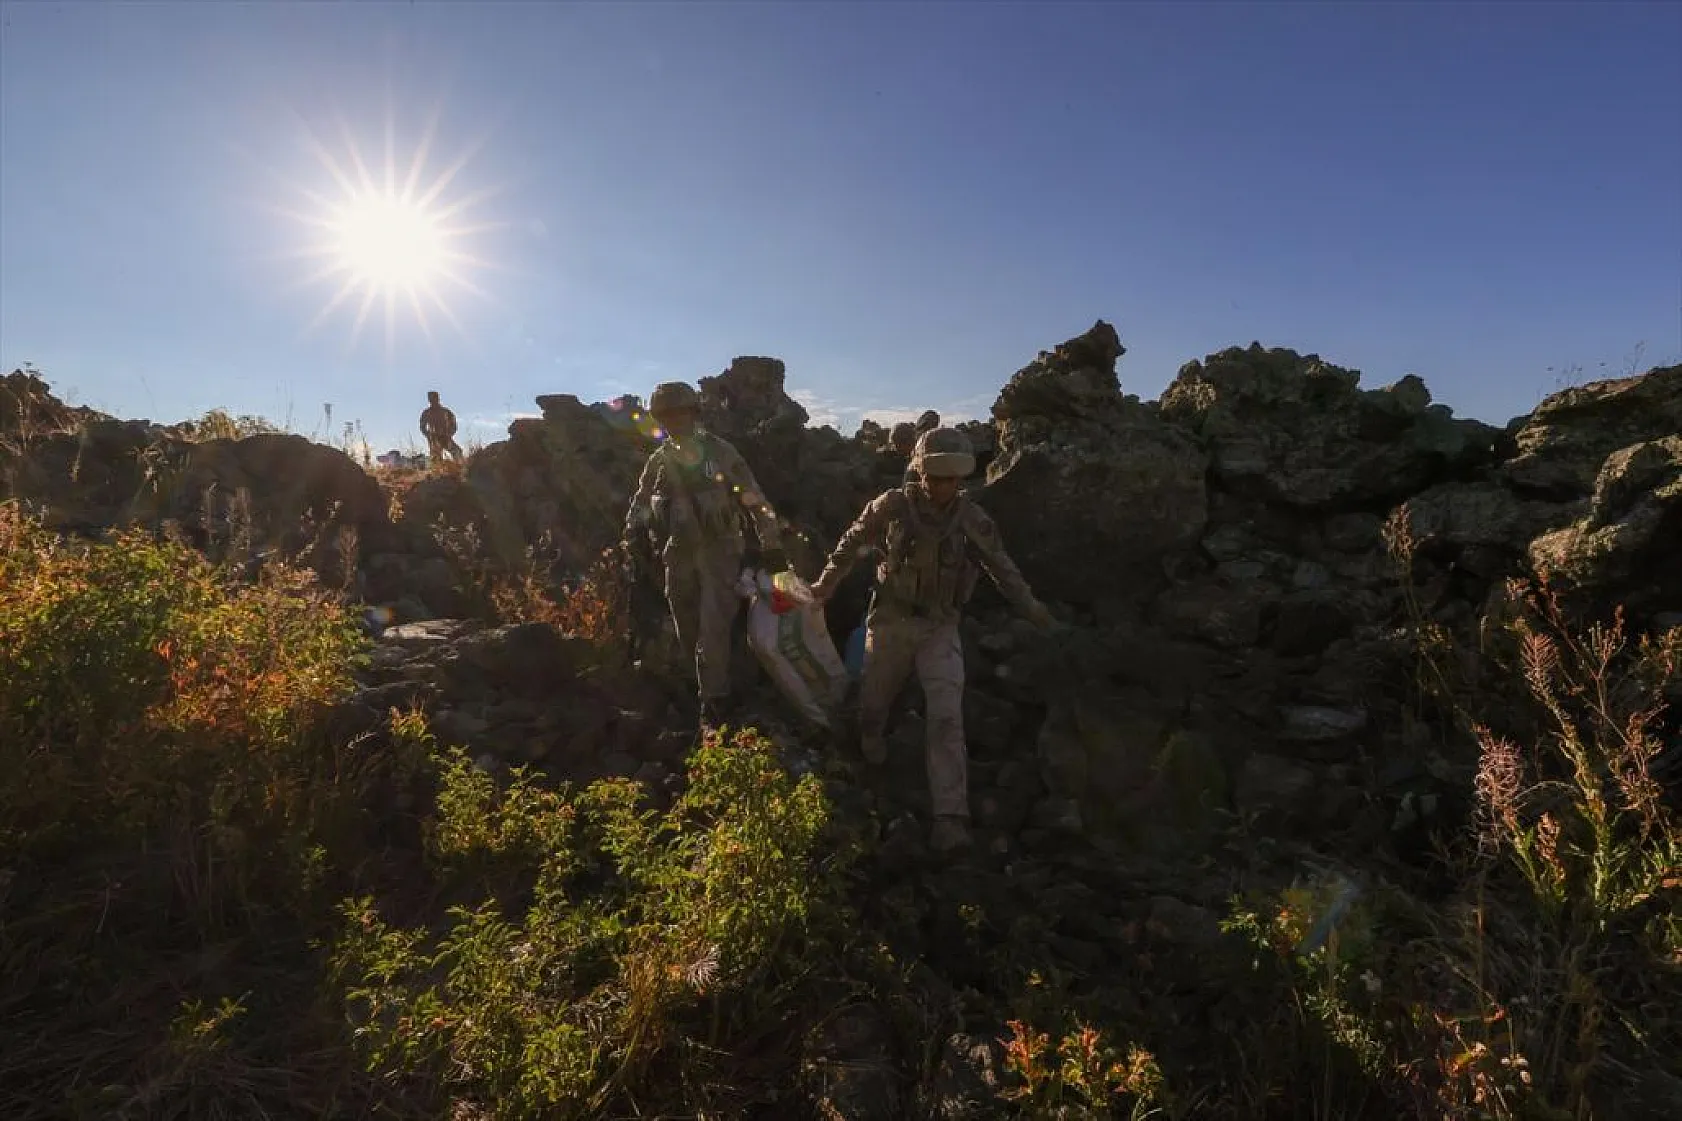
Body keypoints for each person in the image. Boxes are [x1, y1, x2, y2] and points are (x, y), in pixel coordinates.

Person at [809, 427, 1055, 854]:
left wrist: (1036, 613)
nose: (945, 487)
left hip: (940, 626)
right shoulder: (893, 506)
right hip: (890, 621)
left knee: (946, 716)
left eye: (953, 479)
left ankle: (950, 817)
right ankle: (869, 757)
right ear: (920, 472)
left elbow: (1003, 568)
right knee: (873, 706)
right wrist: (823, 587)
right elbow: (850, 542)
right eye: (937, 477)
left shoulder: (972, 520)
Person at [621, 381, 787, 728]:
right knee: (686, 626)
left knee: (713, 629)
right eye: (666, 415)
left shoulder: (721, 453)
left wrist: (771, 545)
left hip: (720, 550)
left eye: (679, 413)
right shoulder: (661, 459)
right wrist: (632, 531)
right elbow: (641, 498)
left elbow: (754, 498)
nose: (674, 421)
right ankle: (702, 688)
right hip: (678, 552)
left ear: (693, 413)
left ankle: (715, 701)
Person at [420, 391, 463, 464]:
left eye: (434, 398)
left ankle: (460, 469)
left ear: (438, 398)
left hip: (445, 437)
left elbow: (454, 423)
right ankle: (438, 474)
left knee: (457, 452)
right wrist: (429, 435)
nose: (432, 400)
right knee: (436, 459)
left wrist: (450, 433)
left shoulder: (445, 411)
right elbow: (422, 427)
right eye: (430, 398)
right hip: (434, 438)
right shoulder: (426, 413)